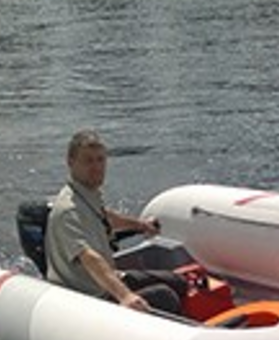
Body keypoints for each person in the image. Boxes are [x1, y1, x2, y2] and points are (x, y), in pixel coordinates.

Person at [45, 129, 186, 315]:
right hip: (91, 296)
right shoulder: (68, 211)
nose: (96, 167)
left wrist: (142, 225)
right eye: (88, 161)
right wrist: (125, 296)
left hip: (108, 280)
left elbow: (106, 217)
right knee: (165, 297)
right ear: (70, 162)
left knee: (178, 282)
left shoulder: (86, 195)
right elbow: (89, 258)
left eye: (100, 160)